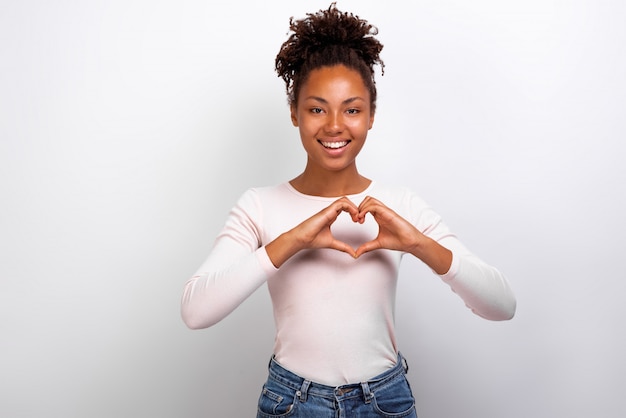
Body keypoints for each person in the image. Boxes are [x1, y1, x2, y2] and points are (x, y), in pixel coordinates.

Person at [181, 4, 516, 417]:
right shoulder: (259, 205)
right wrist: (290, 242)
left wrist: (417, 243)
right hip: (293, 403)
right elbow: (195, 310)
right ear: (294, 113)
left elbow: (502, 305)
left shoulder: (401, 205)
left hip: (386, 402)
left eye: (352, 109)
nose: (335, 125)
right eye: (317, 108)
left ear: (371, 115)